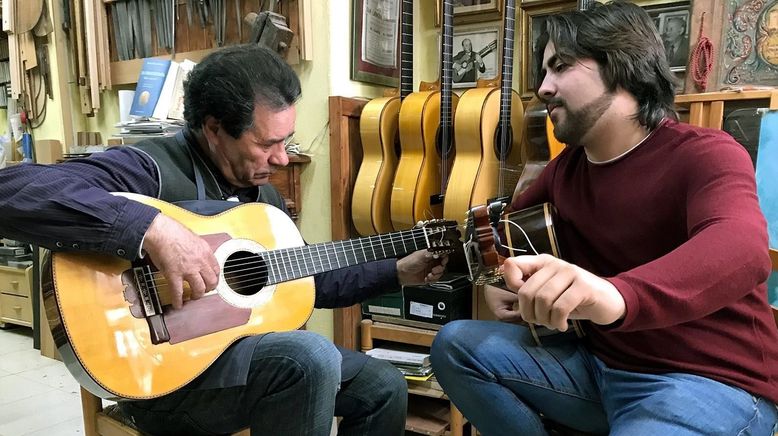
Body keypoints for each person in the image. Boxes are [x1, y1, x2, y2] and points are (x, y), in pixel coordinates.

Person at [0, 45, 449, 436]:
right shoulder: (149, 169)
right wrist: (151, 228)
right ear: (213, 128)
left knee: (383, 386)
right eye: (268, 143)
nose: (282, 158)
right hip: (168, 381)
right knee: (306, 358)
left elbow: (306, 281)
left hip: (244, 363)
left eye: (287, 140)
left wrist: (396, 271)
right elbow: (12, 191)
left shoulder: (263, 199)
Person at [430, 2, 778, 435]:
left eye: (560, 67)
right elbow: (505, 234)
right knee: (456, 346)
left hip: (710, 381)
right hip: (600, 370)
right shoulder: (565, 170)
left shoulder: (706, 152)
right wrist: (501, 277)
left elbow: (742, 248)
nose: (543, 88)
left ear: (621, 65)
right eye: (543, 73)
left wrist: (616, 294)